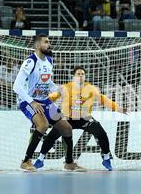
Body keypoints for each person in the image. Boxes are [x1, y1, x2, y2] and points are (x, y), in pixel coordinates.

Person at [12, 34, 86, 172]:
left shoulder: (50, 61)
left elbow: (46, 81)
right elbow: (16, 86)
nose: (49, 44)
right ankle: (26, 161)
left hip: (44, 101)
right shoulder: (30, 61)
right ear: (37, 45)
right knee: (43, 124)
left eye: (49, 42)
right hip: (27, 101)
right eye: (46, 42)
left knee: (66, 128)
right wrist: (32, 102)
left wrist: (59, 89)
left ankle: (69, 163)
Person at [31, 66, 127, 171]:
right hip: (67, 118)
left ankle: (106, 158)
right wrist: (36, 101)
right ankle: (40, 159)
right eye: (78, 74)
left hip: (85, 118)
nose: (81, 76)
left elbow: (104, 100)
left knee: (101, 133)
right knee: (52, 136)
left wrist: (118, 108)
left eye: (82, 74)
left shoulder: (91, 89)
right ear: (73, 77)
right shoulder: (65, 88)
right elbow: (52, 97)